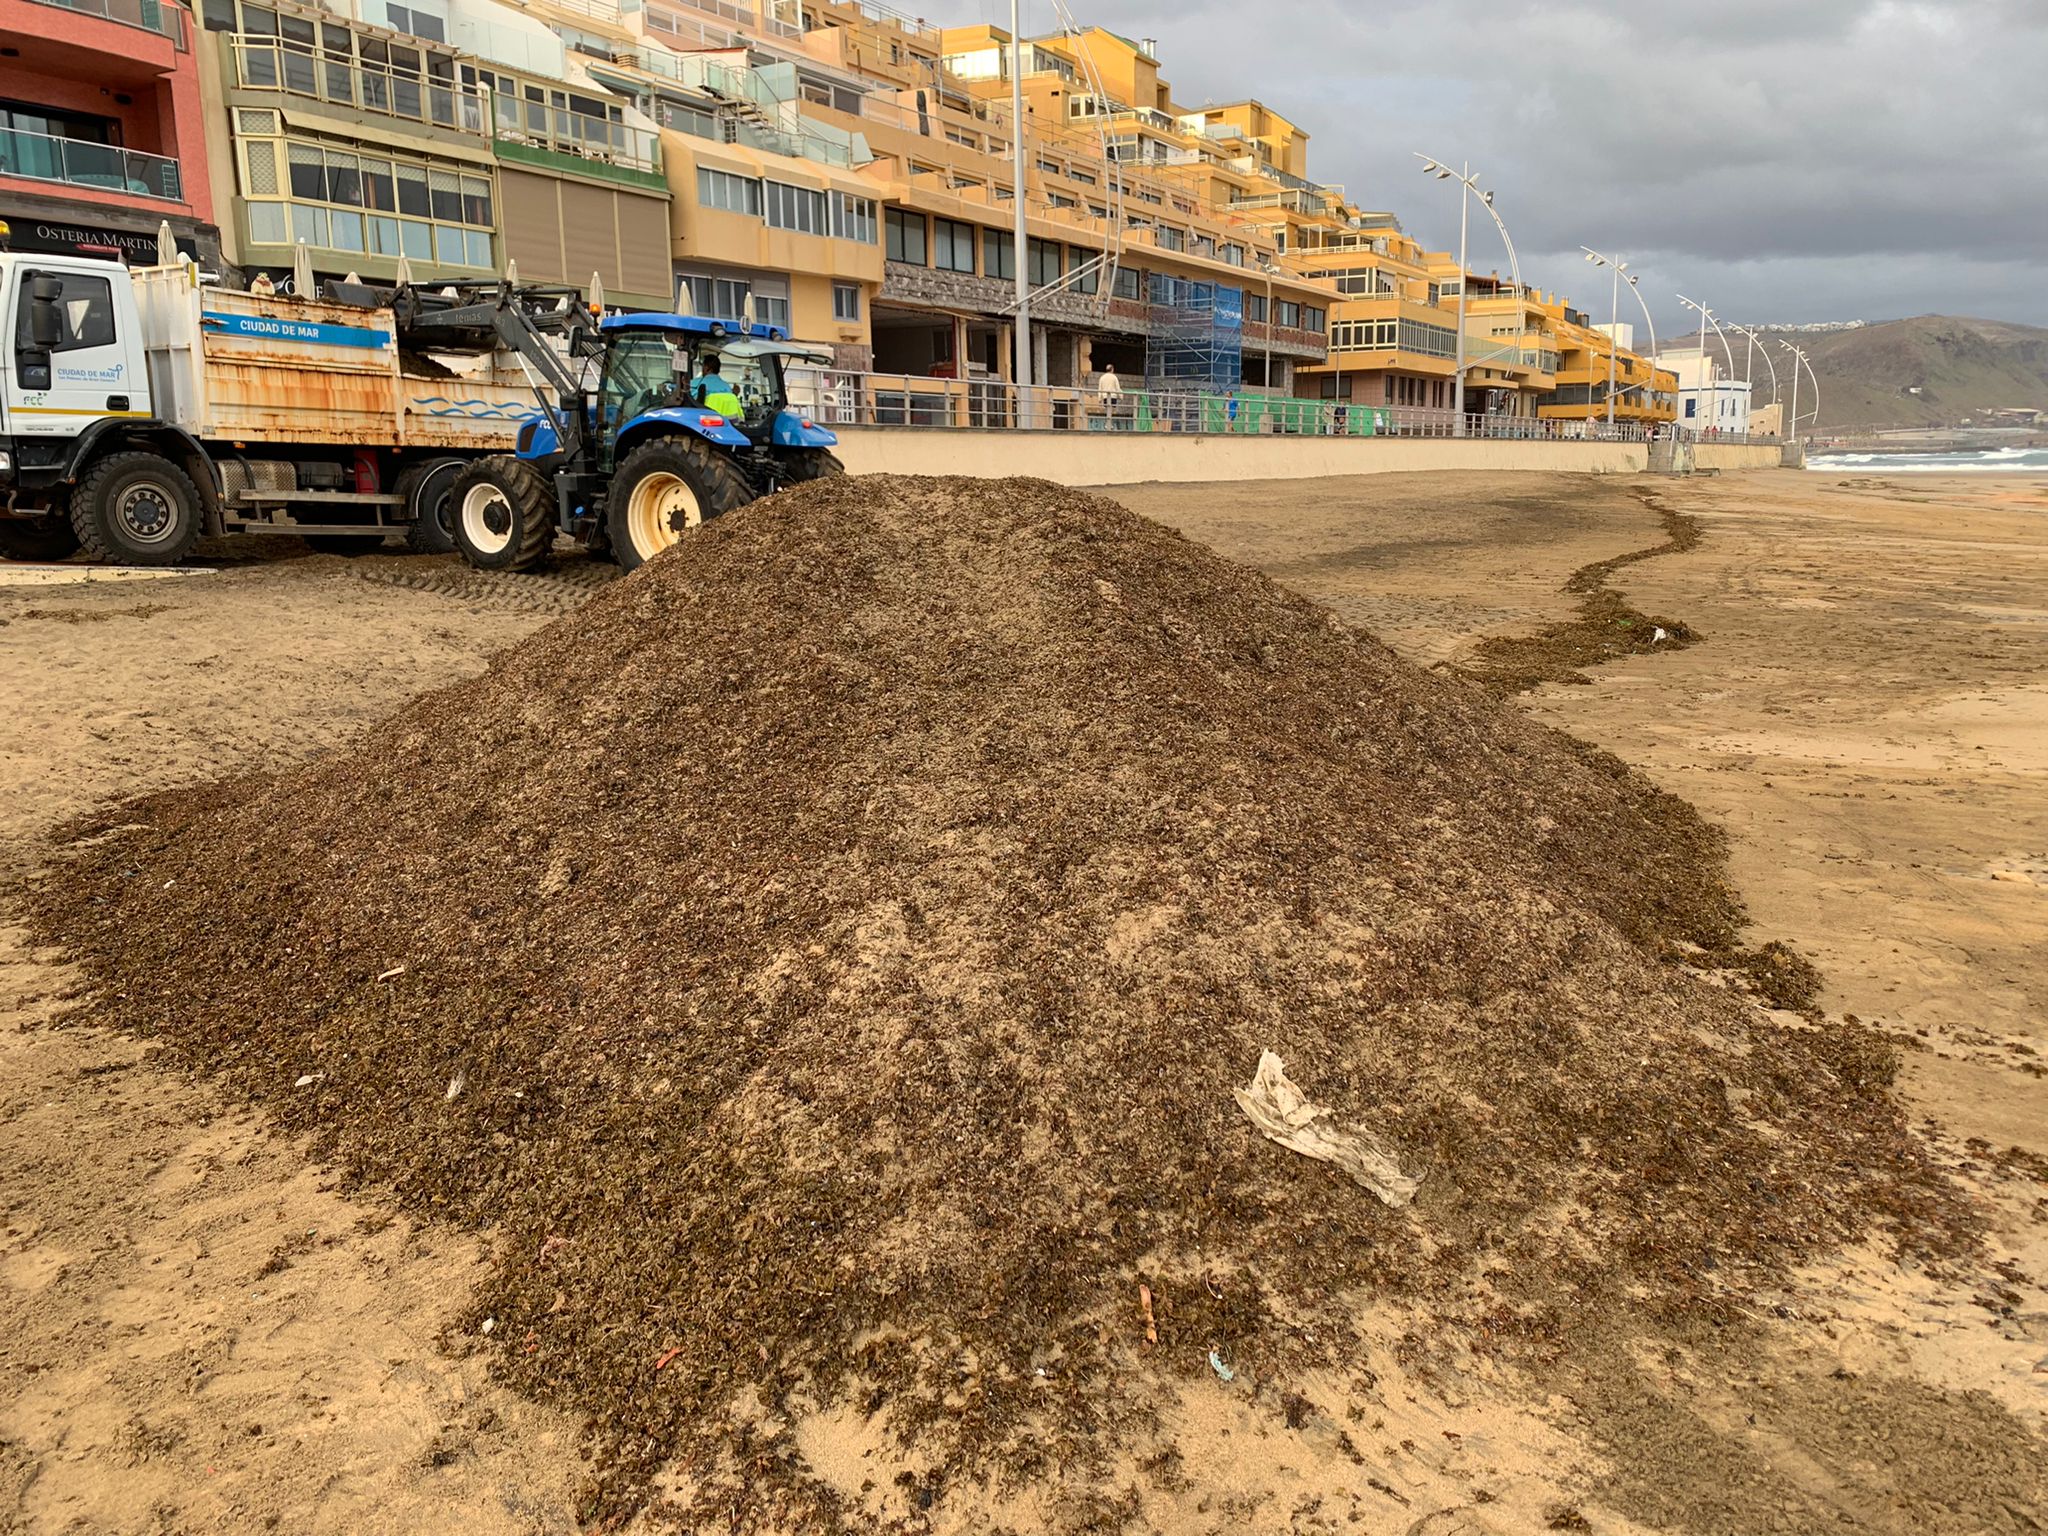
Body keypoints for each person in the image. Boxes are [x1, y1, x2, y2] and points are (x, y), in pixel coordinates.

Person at [693, 352, 742, 420]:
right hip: (727, 425)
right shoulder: (727, 387)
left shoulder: (695, 384)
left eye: (703, 366)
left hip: (703, 423)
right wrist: (735, 394)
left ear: (706, 368)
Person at [1097, 364, 1122, 429]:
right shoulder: (1114, 377)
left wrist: (1099, 398)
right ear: (1112, 369)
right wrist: (1121, 396)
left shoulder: (1102, 377)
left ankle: (1108, 423)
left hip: (1105, 396)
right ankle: (1108, 424)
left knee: (1108, 409)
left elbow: (1100, 389)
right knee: (1111, 410)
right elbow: (1117, 388)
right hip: (1113, 396)